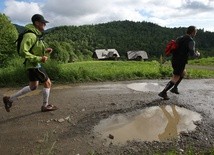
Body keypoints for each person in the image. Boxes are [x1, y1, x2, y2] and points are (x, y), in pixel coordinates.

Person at [3, 14, 57, 112]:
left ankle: (9, 99)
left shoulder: (35, 34)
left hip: (32, 64)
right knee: (47, 83)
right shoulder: (30, 35)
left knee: (33, 86)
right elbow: (23, 51)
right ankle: (45, 106)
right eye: (43, 23)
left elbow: (34, 50)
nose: (45, 24)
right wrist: (39, 59)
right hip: (34, 64)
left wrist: (45, 51)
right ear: (36, 23)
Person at [158, 26, 200, 100]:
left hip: (174, 59)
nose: (196, 33)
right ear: (193, 32)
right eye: (195, 32)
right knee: (176, 77)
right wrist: (197, 54)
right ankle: (163, 92)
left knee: (183, 73)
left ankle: (175, 88)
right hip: (180, 61)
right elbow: (192, 54)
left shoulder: (179, 38)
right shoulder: (191, 41)